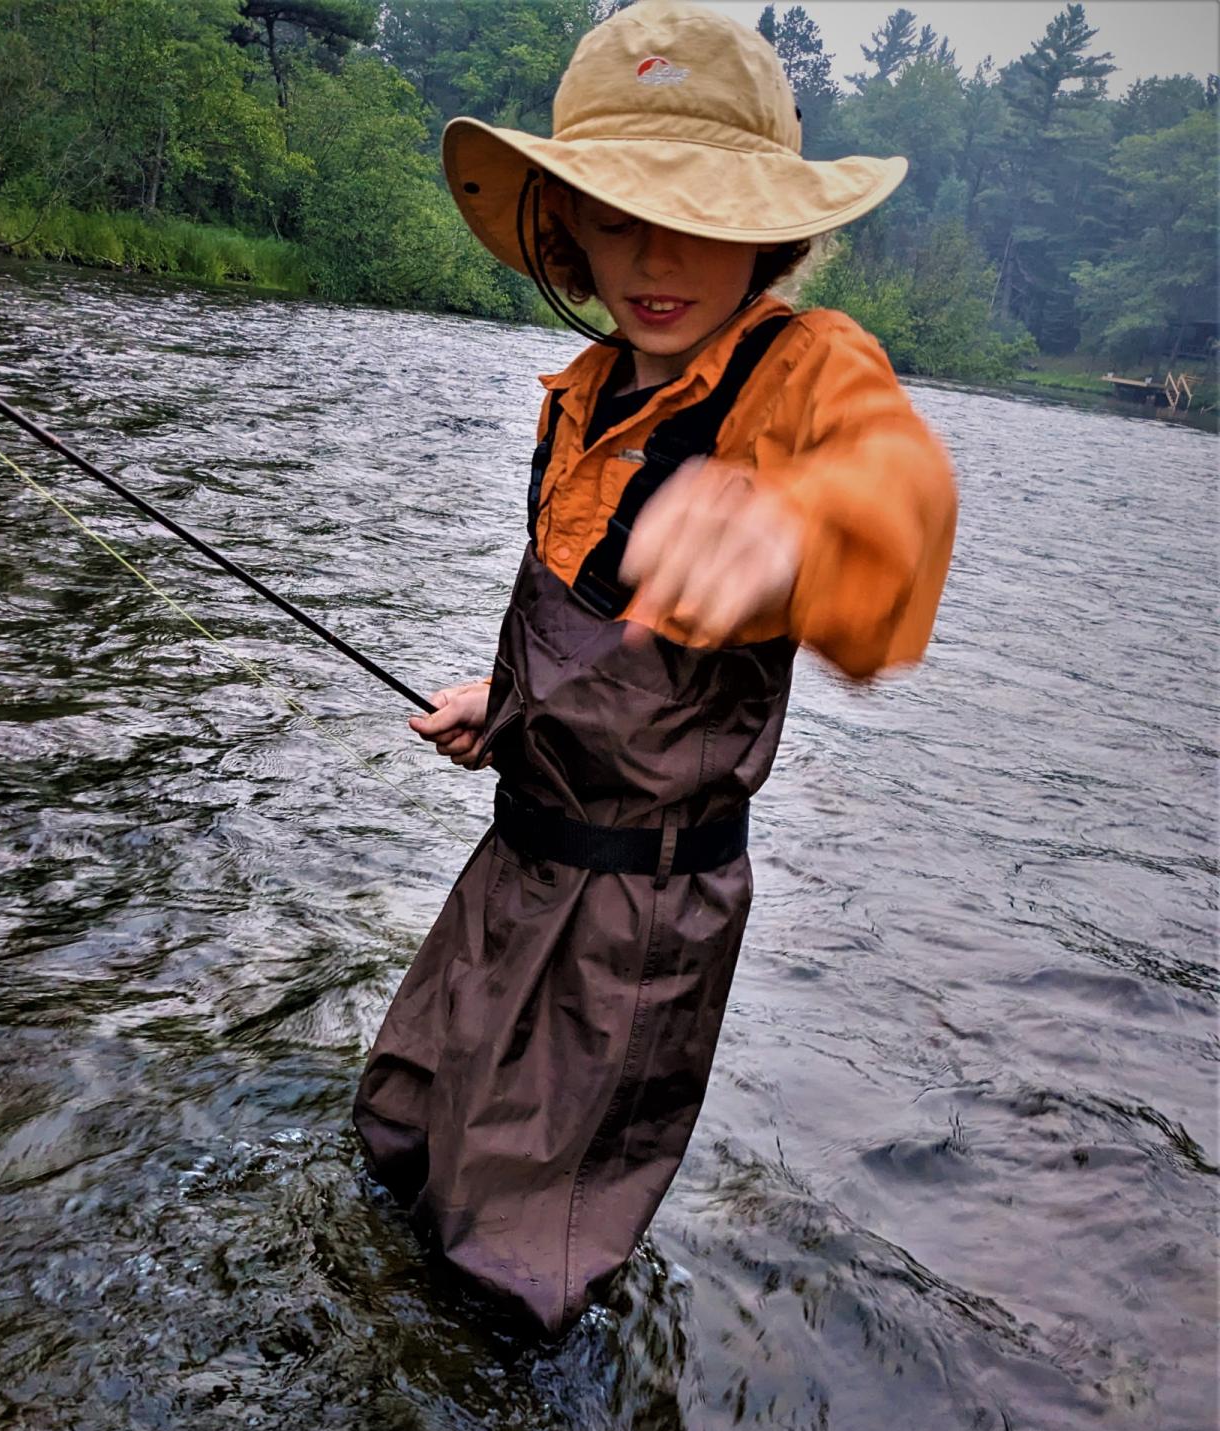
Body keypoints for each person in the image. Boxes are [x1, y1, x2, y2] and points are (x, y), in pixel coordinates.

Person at [354, 0, 957, 1336]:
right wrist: (505, 708)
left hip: (636, 927)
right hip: (513, 861)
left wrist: (798, 526)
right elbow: (583, 637)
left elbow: (900, 497)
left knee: (508, 1264)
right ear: (571, 224)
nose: (658, 258)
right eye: (623, 215)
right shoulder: (587, 390)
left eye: (703, 217)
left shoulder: (804, 373)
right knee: (398, 1133)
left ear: (771, 233)